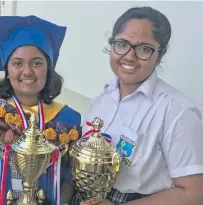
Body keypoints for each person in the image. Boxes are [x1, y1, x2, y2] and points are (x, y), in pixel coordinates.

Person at [72, 6, 203, 205]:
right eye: (123, 44)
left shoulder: (178, 111)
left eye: (144, 49)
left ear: (160, 55)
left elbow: (193, 194)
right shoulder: (103, 97)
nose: (130, 56)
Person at [0, 15, 82, 205]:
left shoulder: (68, 118)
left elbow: (70, 174)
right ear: (7, 69)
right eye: (17, 63)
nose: (27, 71)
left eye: (37, 63)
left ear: (48, 68)